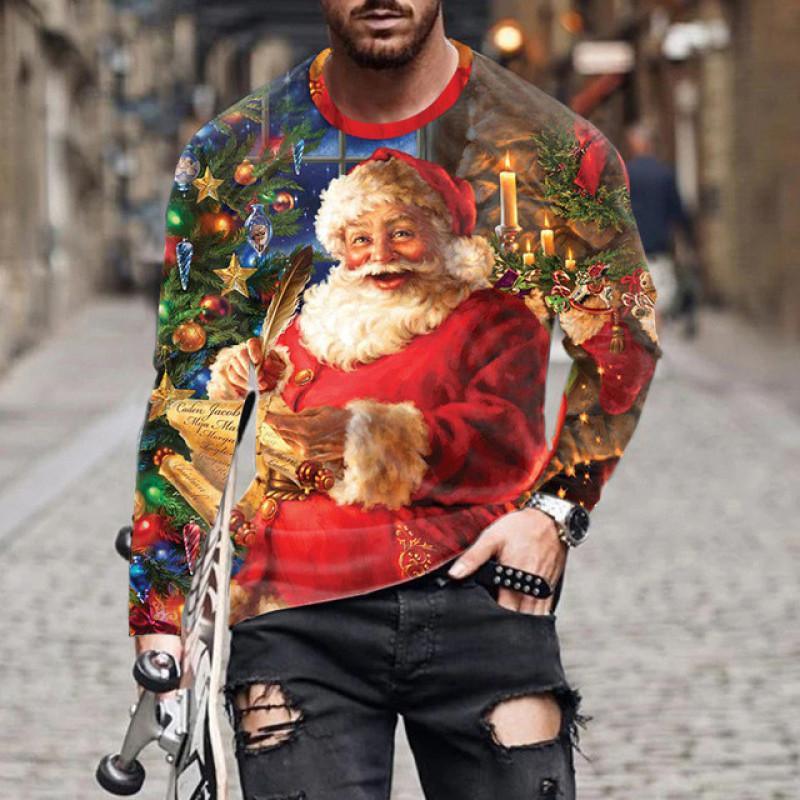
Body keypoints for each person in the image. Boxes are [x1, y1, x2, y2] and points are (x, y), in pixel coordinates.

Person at [129, 2, 661, 798]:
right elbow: (192, 397)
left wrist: (557, 512)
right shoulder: (237, 156)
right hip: (294, 603)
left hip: (487, 594)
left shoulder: (552, 149)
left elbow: (621, 336)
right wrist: (159, 610)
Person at [625, 119, 699, 336]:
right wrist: (690, 241)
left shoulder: (625, 173)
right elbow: (678, 212)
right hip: (658, 249)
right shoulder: (665, 174)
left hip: (632, 249)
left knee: (636, 300)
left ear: (635, 144)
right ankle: (654, 346)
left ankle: (643, 350)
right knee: (657, 301)